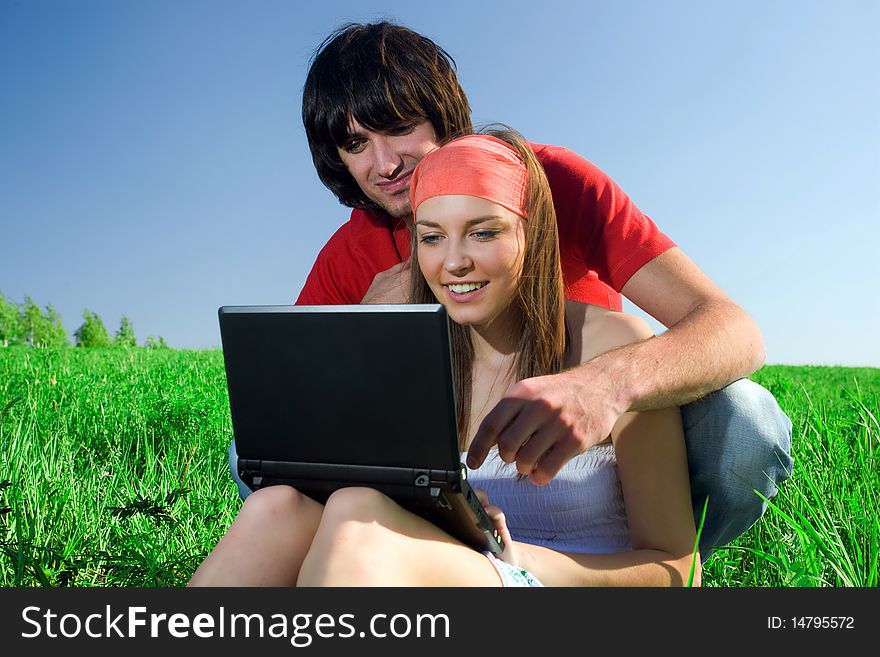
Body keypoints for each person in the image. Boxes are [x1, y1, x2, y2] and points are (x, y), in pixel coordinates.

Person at [232, 21, 793, 558]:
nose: (385, 164)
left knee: (744, 424)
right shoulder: (351, 252)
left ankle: (641, 567)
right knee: (249, 455)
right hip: (458, 486)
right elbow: (294, 418)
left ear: (444, 116)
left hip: (602, 460)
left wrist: (604, 386)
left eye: (400, 126)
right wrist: (365, 331)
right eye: (355, 144)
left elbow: (735, 331)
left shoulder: (553, 182)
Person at [192, 131, 700, 586]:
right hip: (439, 571)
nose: (453, 261)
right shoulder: (410, 356)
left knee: (357, 528)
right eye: (432, 237)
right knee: (278, 507)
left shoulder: (613, 345)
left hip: (549, 584)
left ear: (533, 232)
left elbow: (678, 570)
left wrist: (516, 559)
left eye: (483, 232)